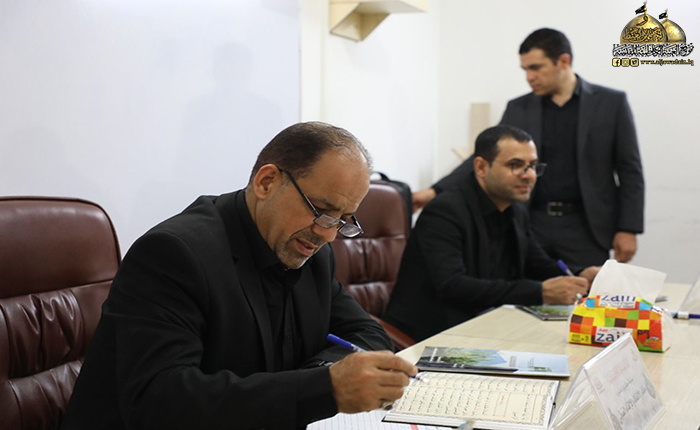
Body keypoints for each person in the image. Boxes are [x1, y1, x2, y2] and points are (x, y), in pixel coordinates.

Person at [61, 122, 417, 430]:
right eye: (322, 210)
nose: (328, 234)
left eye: (342, 220)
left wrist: (322, 376)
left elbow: (367, 333)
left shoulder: (312, 254)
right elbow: (159, 401)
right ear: (267, 182)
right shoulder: (174, 254)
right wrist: (323, 388)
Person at [412, 28, 644, 268]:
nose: (529, 77)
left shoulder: (610, 104)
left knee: (585, 289)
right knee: (526, 288)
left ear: (563, 61)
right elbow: (485, 157)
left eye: (536, 68)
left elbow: (630, 170)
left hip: (586, 226)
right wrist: (435, 191)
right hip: (530, 221)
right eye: (525, 70)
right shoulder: (519, 108)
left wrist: (628, 228)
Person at [384, 125, 599, 342]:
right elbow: (452, 286)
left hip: (486, 326)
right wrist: (538, 292)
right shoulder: (445, 210)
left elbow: (537, 263)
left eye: (533, 166)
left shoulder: (515, 209)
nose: (529, 175)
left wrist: (579, 275)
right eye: (515, 165)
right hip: (432, 335)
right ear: (481, 167)